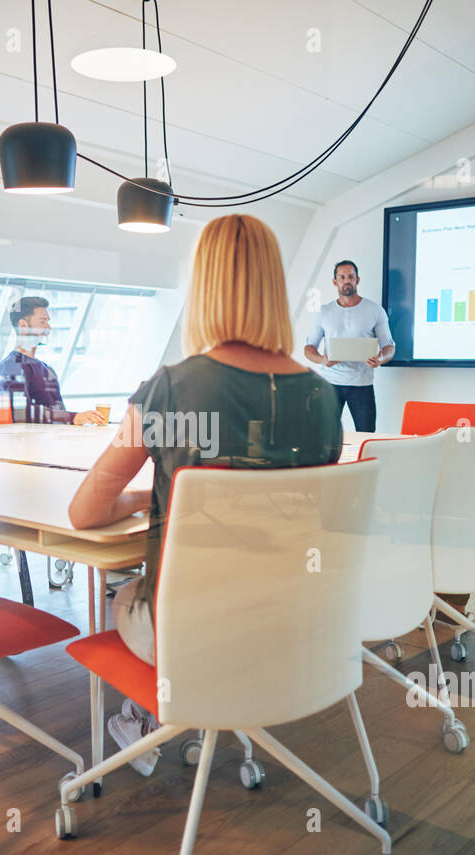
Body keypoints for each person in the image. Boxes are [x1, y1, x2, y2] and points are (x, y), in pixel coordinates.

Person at [67, 214, 343, 776]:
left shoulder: (173, 389)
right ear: (274, 289)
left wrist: (149, 501)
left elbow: (84, 511)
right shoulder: (321, 396)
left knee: (120, 597)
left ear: (206, 287)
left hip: (188, 637)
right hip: (295, 625)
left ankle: (144, 720)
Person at [303, 260, 395, 432]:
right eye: (342, 277)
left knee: (366, 435)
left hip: (362, 384)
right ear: (335, 281)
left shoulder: (375, 310)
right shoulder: (323, 312)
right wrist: (322, 359)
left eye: (351, 277)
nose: (347, 281)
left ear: (357, 280)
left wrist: (380, 359)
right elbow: (309, 348)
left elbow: (389, 347)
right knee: (325, 435)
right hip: (330, 384)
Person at [0, 296, 106, 425]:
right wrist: (73, 417)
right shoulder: (11, 366)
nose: (48, 328)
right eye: (42, 322)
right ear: (23, 325)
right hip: (28, 443)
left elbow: (59, 411)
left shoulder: (46, 368)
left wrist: (78, 419)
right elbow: (21, 412)